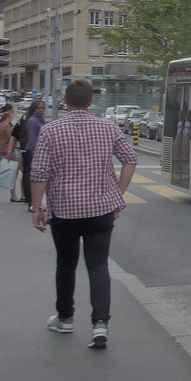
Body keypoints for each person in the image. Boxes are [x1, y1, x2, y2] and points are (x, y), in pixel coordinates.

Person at [30, 79, 137, 350]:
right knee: (99, 265)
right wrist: (118, 193)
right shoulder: (108, 127)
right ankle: (100, 325)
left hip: (64, 210)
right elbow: (129, 159)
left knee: (65, 264)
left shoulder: (51, 131)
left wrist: (37, 208)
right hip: (101, 209)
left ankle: (65, 318)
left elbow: (39, 173)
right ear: (91, 101)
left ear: (65, 100)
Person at [20, 99, 46, 205]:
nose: (41, 110)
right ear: (34, 109)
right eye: (39, 108)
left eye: (43, 108)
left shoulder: (40, 120)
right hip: (31, 152)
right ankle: (30, 201)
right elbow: (32, 139)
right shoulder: (33, 120)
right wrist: (36, 156)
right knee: (30, 176)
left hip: (37, 152)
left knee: (33, 176)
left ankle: (33, 201)